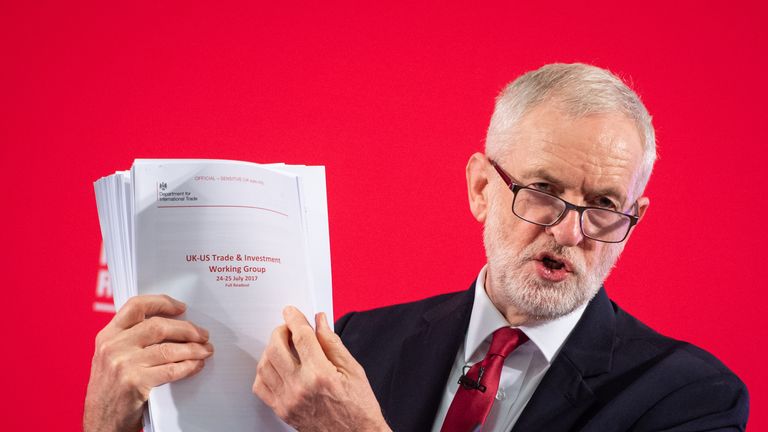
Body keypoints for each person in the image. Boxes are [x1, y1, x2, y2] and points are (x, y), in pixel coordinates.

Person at [84, 63, 749, 432]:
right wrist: (110, 425)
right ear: (482, 188)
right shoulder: (355, 345)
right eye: (542, 190)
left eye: (604, 206)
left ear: (635, 215)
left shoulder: (691, 400)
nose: (571, 232)